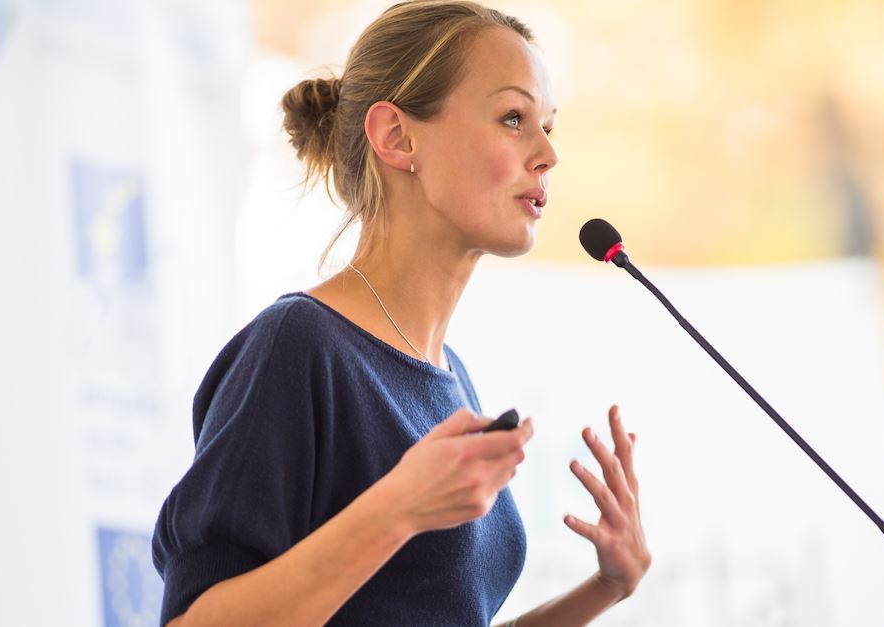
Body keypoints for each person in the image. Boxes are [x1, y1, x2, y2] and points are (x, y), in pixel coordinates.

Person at [151, 1, 650, 625]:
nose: (548, 153)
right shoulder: (299, 347)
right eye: (514, 118)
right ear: (397, 137)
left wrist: (605, 588)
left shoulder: (451, 377)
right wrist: (398, 510)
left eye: (549, 126)